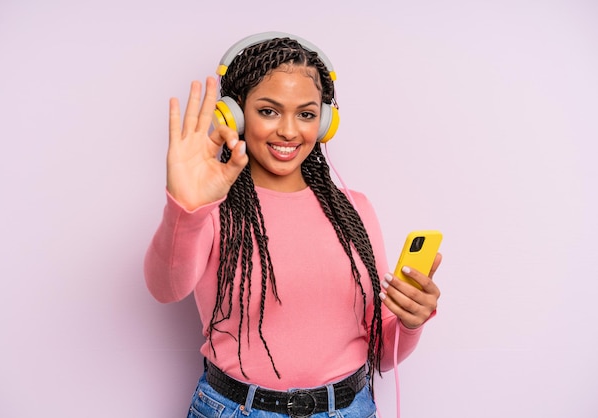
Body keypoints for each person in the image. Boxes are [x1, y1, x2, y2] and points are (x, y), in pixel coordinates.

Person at [144, 32, 442, 418]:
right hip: (236, 409)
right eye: (268, 111)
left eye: (305, 114)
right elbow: (164, 288)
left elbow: (382, 356)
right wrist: (185, 207)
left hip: (349, 409)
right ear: (234, 115)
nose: (288, 130)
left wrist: (410, 320)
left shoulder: (355, 211)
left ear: (324, 123)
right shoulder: (212, 210)